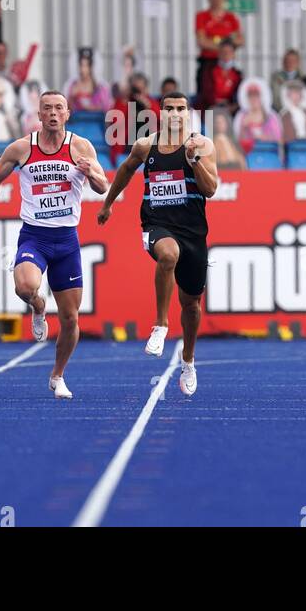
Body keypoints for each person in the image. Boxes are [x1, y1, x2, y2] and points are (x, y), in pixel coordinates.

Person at [0, 92, 109, 399]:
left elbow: (104, 186)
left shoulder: (80, 147)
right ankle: (38, 306)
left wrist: (91, 173)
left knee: (71, 318)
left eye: (58, 108)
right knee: (24, 287)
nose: (52, 113)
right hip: (34, 237)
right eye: (47, 108)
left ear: (67, 113)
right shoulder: (23, 148)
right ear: (38, 114)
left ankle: (58, 375)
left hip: (66, 240)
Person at [97, 92, 218, 396]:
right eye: (169, 109)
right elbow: (125, 170)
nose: (175, 114)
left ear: (187, 113)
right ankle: (160, 325)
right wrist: (108, 204)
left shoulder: (202, 145)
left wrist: (194, 161)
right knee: (168, 254)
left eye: (180, 109)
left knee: (191, 305)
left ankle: (188, 360)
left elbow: (211, 189)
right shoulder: (145, 145)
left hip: (193, 231)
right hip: (157, 224)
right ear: (160, 114)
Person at [194, 0, 243, 98]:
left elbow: (240, 40)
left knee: (232, 93)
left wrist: (214, 42)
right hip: (208, 63)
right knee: (206, 96)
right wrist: (226, 44)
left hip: (227, 65)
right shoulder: (202, 16)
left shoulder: (231, 18)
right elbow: (201, 41)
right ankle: (208, 116)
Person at [107, 73, 161, 162]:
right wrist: (125, 101)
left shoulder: (151, 102)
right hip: (126, 147)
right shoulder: (123, 102)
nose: (137, 93)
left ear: (146, 89)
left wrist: (148, 106)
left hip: (150, 146)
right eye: (134, 89)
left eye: (140, 89)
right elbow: (114, 122)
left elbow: (161, 120)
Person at [233, 78, 282, 154]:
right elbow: (237, 141)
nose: (254, 99)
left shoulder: (272, 116)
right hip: (249, 155)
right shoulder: (241, 116)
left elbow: (278, 139)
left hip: (269, 153)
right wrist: (244, 127)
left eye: (256, 95)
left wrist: (264, 137)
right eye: (250, 96)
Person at [63, 47, 112, 112]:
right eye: (81, 65)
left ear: (92, 67)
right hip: (77, 120)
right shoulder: (71, 85)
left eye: (87, 65)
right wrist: (72, 97)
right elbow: (66, 110)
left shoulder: (101, 87)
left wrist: (88, 108)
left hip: (96, 120)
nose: (83, 69)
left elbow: (106, 107)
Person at [279, 79, 306, 144]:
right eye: (293, 93)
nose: (296, 96)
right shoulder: (283, 114)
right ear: (288, 95)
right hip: (291, 147)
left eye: (298, 93)